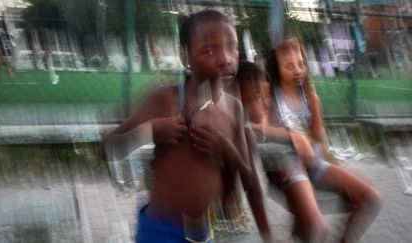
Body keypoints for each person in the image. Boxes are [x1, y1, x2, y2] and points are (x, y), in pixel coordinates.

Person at [102, 10, 270, 243]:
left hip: (203, 234)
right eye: (210, 49)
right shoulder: (168, 100)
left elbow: (250, 180)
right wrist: (152, 129)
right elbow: (111, 145)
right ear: (185, 55)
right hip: (160, 232)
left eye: (231, 47)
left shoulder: (234, 109)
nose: (225, 59)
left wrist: (227, 151)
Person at [245, 37, 381, 243]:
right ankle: (301, 229)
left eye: (301, 64)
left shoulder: (310, 96)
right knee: (316, 227)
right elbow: (260, 127)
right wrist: (294, 135)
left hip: (312, 161)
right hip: (285, 164)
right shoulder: (271, 93)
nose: (298, 70)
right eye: (289, 66)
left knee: (369, 197)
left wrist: (330, 161)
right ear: (277, 68)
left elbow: (318, 138)